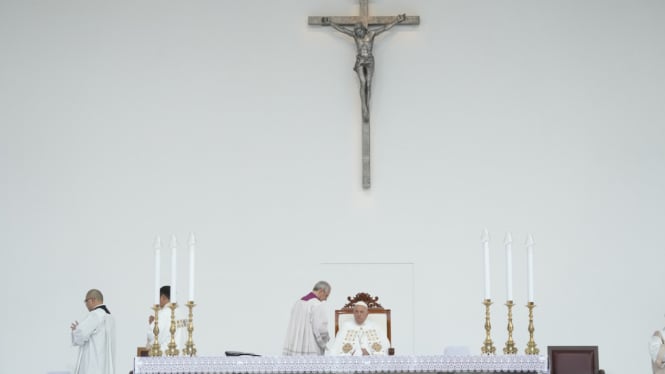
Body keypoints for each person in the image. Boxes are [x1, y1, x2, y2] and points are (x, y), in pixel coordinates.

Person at [322, 14, 407, 121]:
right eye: (356, 31)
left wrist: (396, 21)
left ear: (363, 29)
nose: (358, 33)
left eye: (359, 31)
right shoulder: (355, 36)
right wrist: (330, 23)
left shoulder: (371, 34)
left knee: (369, 83)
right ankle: (364, 107)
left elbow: (385, 28)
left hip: (370, 60)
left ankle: (367, 104)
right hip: (360, 60)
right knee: (363, 83)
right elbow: (342, 30)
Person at [71, 289, 116, 374]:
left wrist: (76, 330)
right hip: (104, 366)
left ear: (93, 300)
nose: (86, 304)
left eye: (86, 301)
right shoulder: (110, 317)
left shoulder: (95, 315)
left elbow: (81, 335)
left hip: (92, 365)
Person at [283, 281, 332, 355]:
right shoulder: (316, 305)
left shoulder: (298, 303)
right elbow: (320, 328)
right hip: (310, 348)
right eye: (326, 296)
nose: (326, 299)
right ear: (321, 291)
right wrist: (326, 338)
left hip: (295, 346)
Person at [147, 285, 184, 349]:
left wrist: (153, 324)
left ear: (163, 297)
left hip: (168, 355)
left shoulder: (165, 313)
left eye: (158, 298)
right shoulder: (182, 313)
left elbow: (154, 336)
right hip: (182, 355)